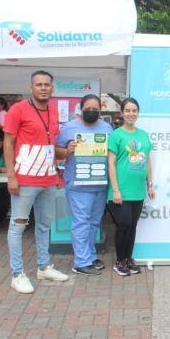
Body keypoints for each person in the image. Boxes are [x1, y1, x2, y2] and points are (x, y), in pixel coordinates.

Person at [4, 70, 69, 294]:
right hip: (25, 180)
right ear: (31, 88)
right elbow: (8, 144)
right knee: (18, 227)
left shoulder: (53, 111)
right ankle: (17, 274)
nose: (43, 88)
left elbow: (50, 146)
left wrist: (68, 151)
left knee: (44, 225)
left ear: (52, 88)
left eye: (47, 84)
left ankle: (43, 267)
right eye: (38, 84)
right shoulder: (18, 109)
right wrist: (11, 176)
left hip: (48, 180)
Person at [56, 94, 113, 276]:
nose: (91, 112)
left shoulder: (107, 128)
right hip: (78, 185)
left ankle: (90, 256)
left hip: (100, 183)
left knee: (94, 223)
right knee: (81, 222)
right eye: (87, 109)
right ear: (80, 110)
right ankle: (81, 261)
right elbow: (56, 151)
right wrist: (67, 150)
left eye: (94, 109)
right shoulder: (69, 128)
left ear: (100, 111)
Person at [108, 98, 155, 276]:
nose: (131, 114)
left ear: (138, 112)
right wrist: (116, 189)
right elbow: (111, 164)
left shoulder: (143, 135)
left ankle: (128, 258)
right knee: (124, 224)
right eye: (127, 110)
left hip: (138, 190)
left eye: (134, 110)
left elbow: (148, 162)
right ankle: (119, 261)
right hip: (120, 190)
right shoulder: (116, 135)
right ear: (122, 112)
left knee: (133, 225)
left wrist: (149, 184)